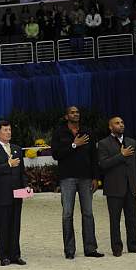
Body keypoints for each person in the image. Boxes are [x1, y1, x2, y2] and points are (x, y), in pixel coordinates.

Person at [51, 106, 104, 259]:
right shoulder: (59, 132)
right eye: (72, 112)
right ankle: (69, 250)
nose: (76, 114)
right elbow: (56, 154)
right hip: (67, 178)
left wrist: (96, 177)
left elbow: (94, 156)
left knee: (88, 213)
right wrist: (74, 144)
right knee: (67, 214)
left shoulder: (88, 132)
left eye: (77, 112)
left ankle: (90, 248)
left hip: (86, 177)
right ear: (66, 116)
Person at [98, 117, 136, 257]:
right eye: (117, 123)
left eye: (122, 123)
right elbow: (103, 164)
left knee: (133, 219)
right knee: (115, 220)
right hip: (114, 188)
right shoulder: (103, 144)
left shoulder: (131, 142)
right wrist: (121, 155)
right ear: (110, 127)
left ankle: (133, 245)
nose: (121, 125)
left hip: (131, 188)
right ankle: (117, 248)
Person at [0, 120, 29, 266]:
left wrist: (25, 188)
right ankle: (3, 256)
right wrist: (8, 165)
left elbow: (22, 172)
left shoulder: (17, 148)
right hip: (1, 193)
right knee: (3, 225)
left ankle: (15, 255)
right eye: (5, 130)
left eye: (9, 129)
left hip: (17, 193)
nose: (8, 132)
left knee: (15, 224)